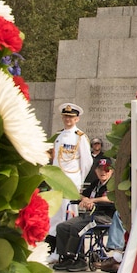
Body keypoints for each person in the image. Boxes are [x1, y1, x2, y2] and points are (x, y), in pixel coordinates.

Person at [52, 158, 116, 272]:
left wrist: (93, 200)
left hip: (104, 216)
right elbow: (79, 195)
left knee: (77, 228)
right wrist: (85, 199)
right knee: (62, 227)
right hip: (89, 216)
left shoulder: (113, 184)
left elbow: (111, 199)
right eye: (100, 169)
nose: (103, 172)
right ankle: (66, 257)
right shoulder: (95, 184)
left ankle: (80, 260)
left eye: (107, 170)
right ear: (96, 171)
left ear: (112, 171)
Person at [48, 102, 93, 250]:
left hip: (71, 180)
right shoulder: (58, 136)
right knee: (54, 214)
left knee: (68, 215)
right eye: (66, 116)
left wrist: (78, 182)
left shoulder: (79, 137)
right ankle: (53, 249)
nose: (68, 120)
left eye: (71, 117)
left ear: (77, 119)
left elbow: (87, 162)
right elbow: (55, 160)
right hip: (56, 180)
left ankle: (66, 250)